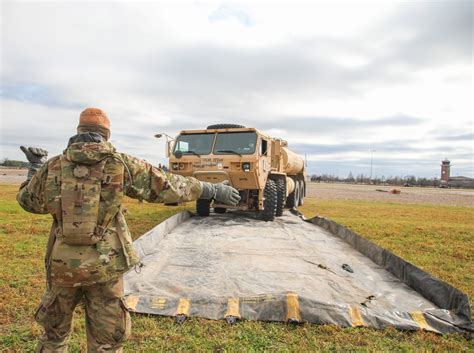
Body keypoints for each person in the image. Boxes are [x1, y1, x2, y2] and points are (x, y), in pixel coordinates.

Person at [17, 107, 240, 353]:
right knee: (107, 344)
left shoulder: (53, 167)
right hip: (106, 267)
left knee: (53, 338)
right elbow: (169, 186)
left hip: (62, 267)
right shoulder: (121, 164)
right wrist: (214, 190)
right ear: (106, 134)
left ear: (79, 131)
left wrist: (35, 166)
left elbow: (29, 201)